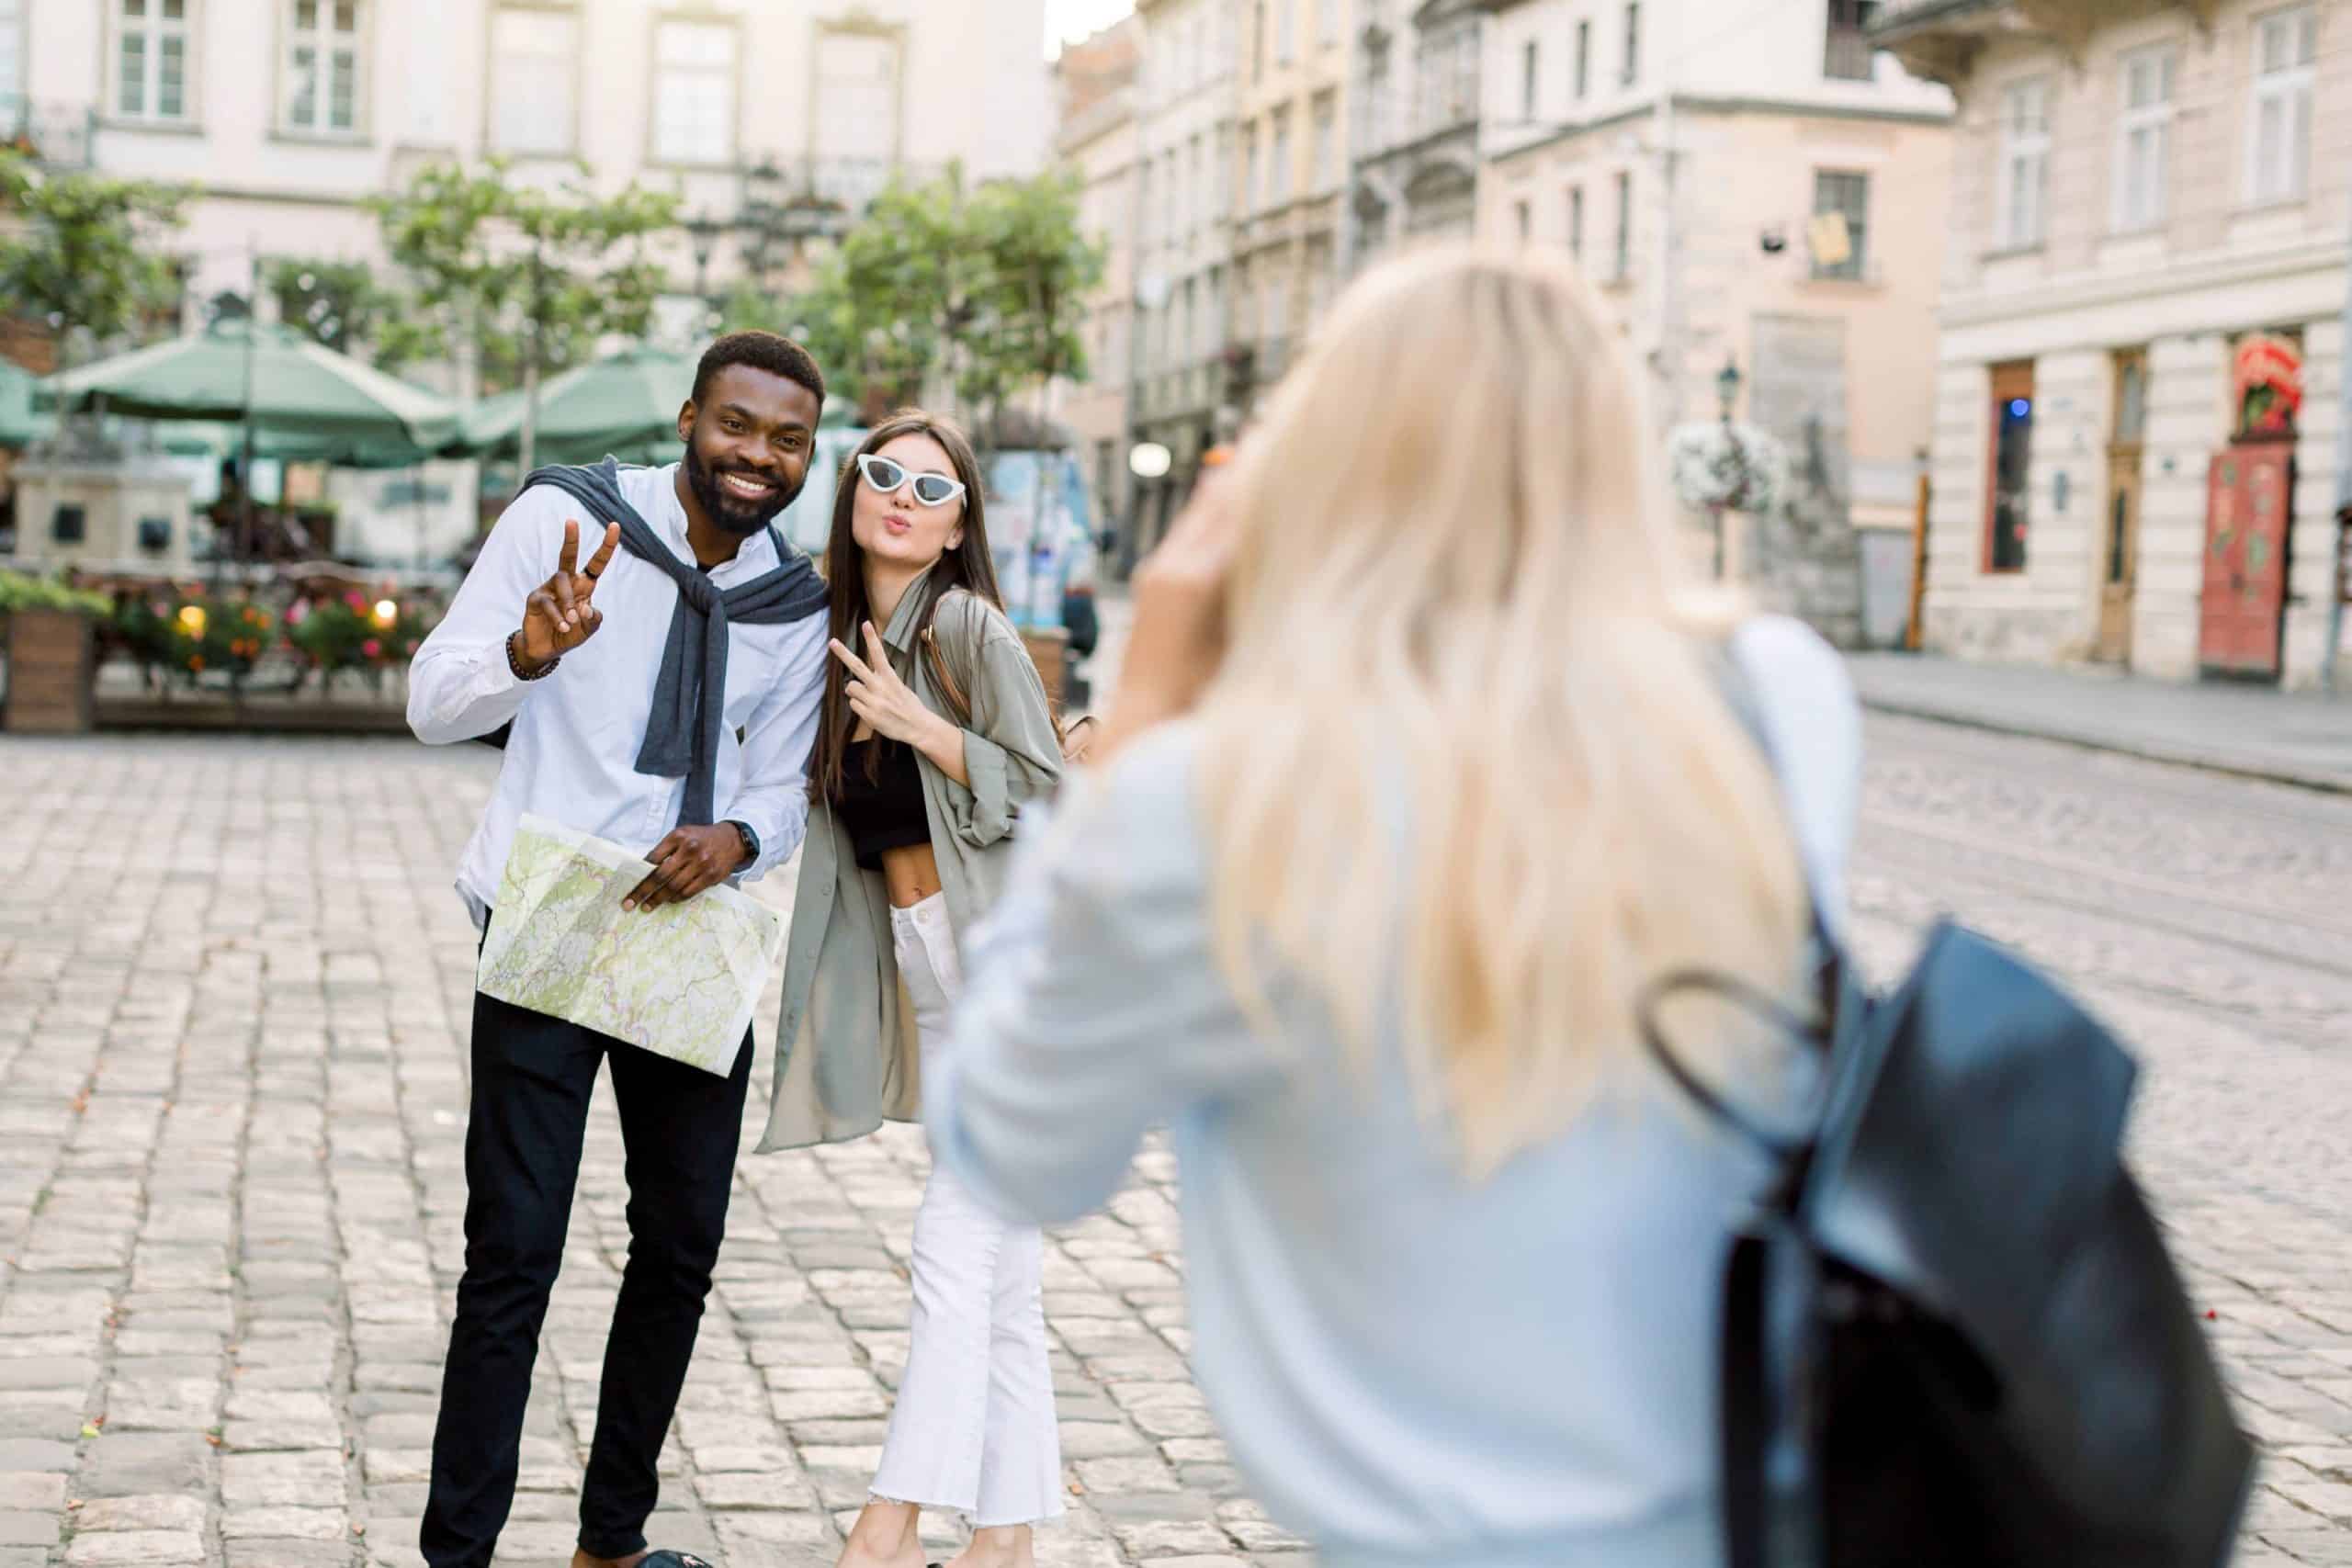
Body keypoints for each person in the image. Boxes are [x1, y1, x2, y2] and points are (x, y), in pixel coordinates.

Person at [922, 247, 1865, 1568]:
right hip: (1745, 1518)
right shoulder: (1778, 698)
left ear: (1316, 470)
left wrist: (1140, 722)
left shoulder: (1212, 799)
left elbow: (1014, 1146)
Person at [406, 332, 836, 1568]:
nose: (758, 455)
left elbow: (784, 784)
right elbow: (431, 703)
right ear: (691, 414)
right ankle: (459, 1552)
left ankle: (611, 1540)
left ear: (810, 451)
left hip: (691, 936)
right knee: (515, 1253)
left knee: (683, 1244)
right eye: (738, 425)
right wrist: (528, 653)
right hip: (551, 922)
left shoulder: (796, 602)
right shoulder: (562, 516)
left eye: (788, 439)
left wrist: (741, 834)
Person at [753, 411, 1066, 1568]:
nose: (901, 497)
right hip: (926, 966)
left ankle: (885, 1526)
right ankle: (1006, 1544)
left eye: (931, 490)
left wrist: (927, 731)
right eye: (880, 474)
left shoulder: (968, 629)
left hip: (1008, 975)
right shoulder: (828, 634)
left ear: (955, 529)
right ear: (849, 494)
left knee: (950, 1250)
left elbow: (1044, 790)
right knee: (1002, 1286)